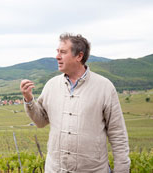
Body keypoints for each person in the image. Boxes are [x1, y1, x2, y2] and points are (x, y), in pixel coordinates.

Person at [20, 33, 130, 172]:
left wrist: (122, 169)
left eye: (63, 52)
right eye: (57, 52)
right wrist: (29, 99)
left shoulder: (104, 87)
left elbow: (117, 133)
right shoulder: (51, 85)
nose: (57, 56)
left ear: (79, 56)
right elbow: (41, 122)